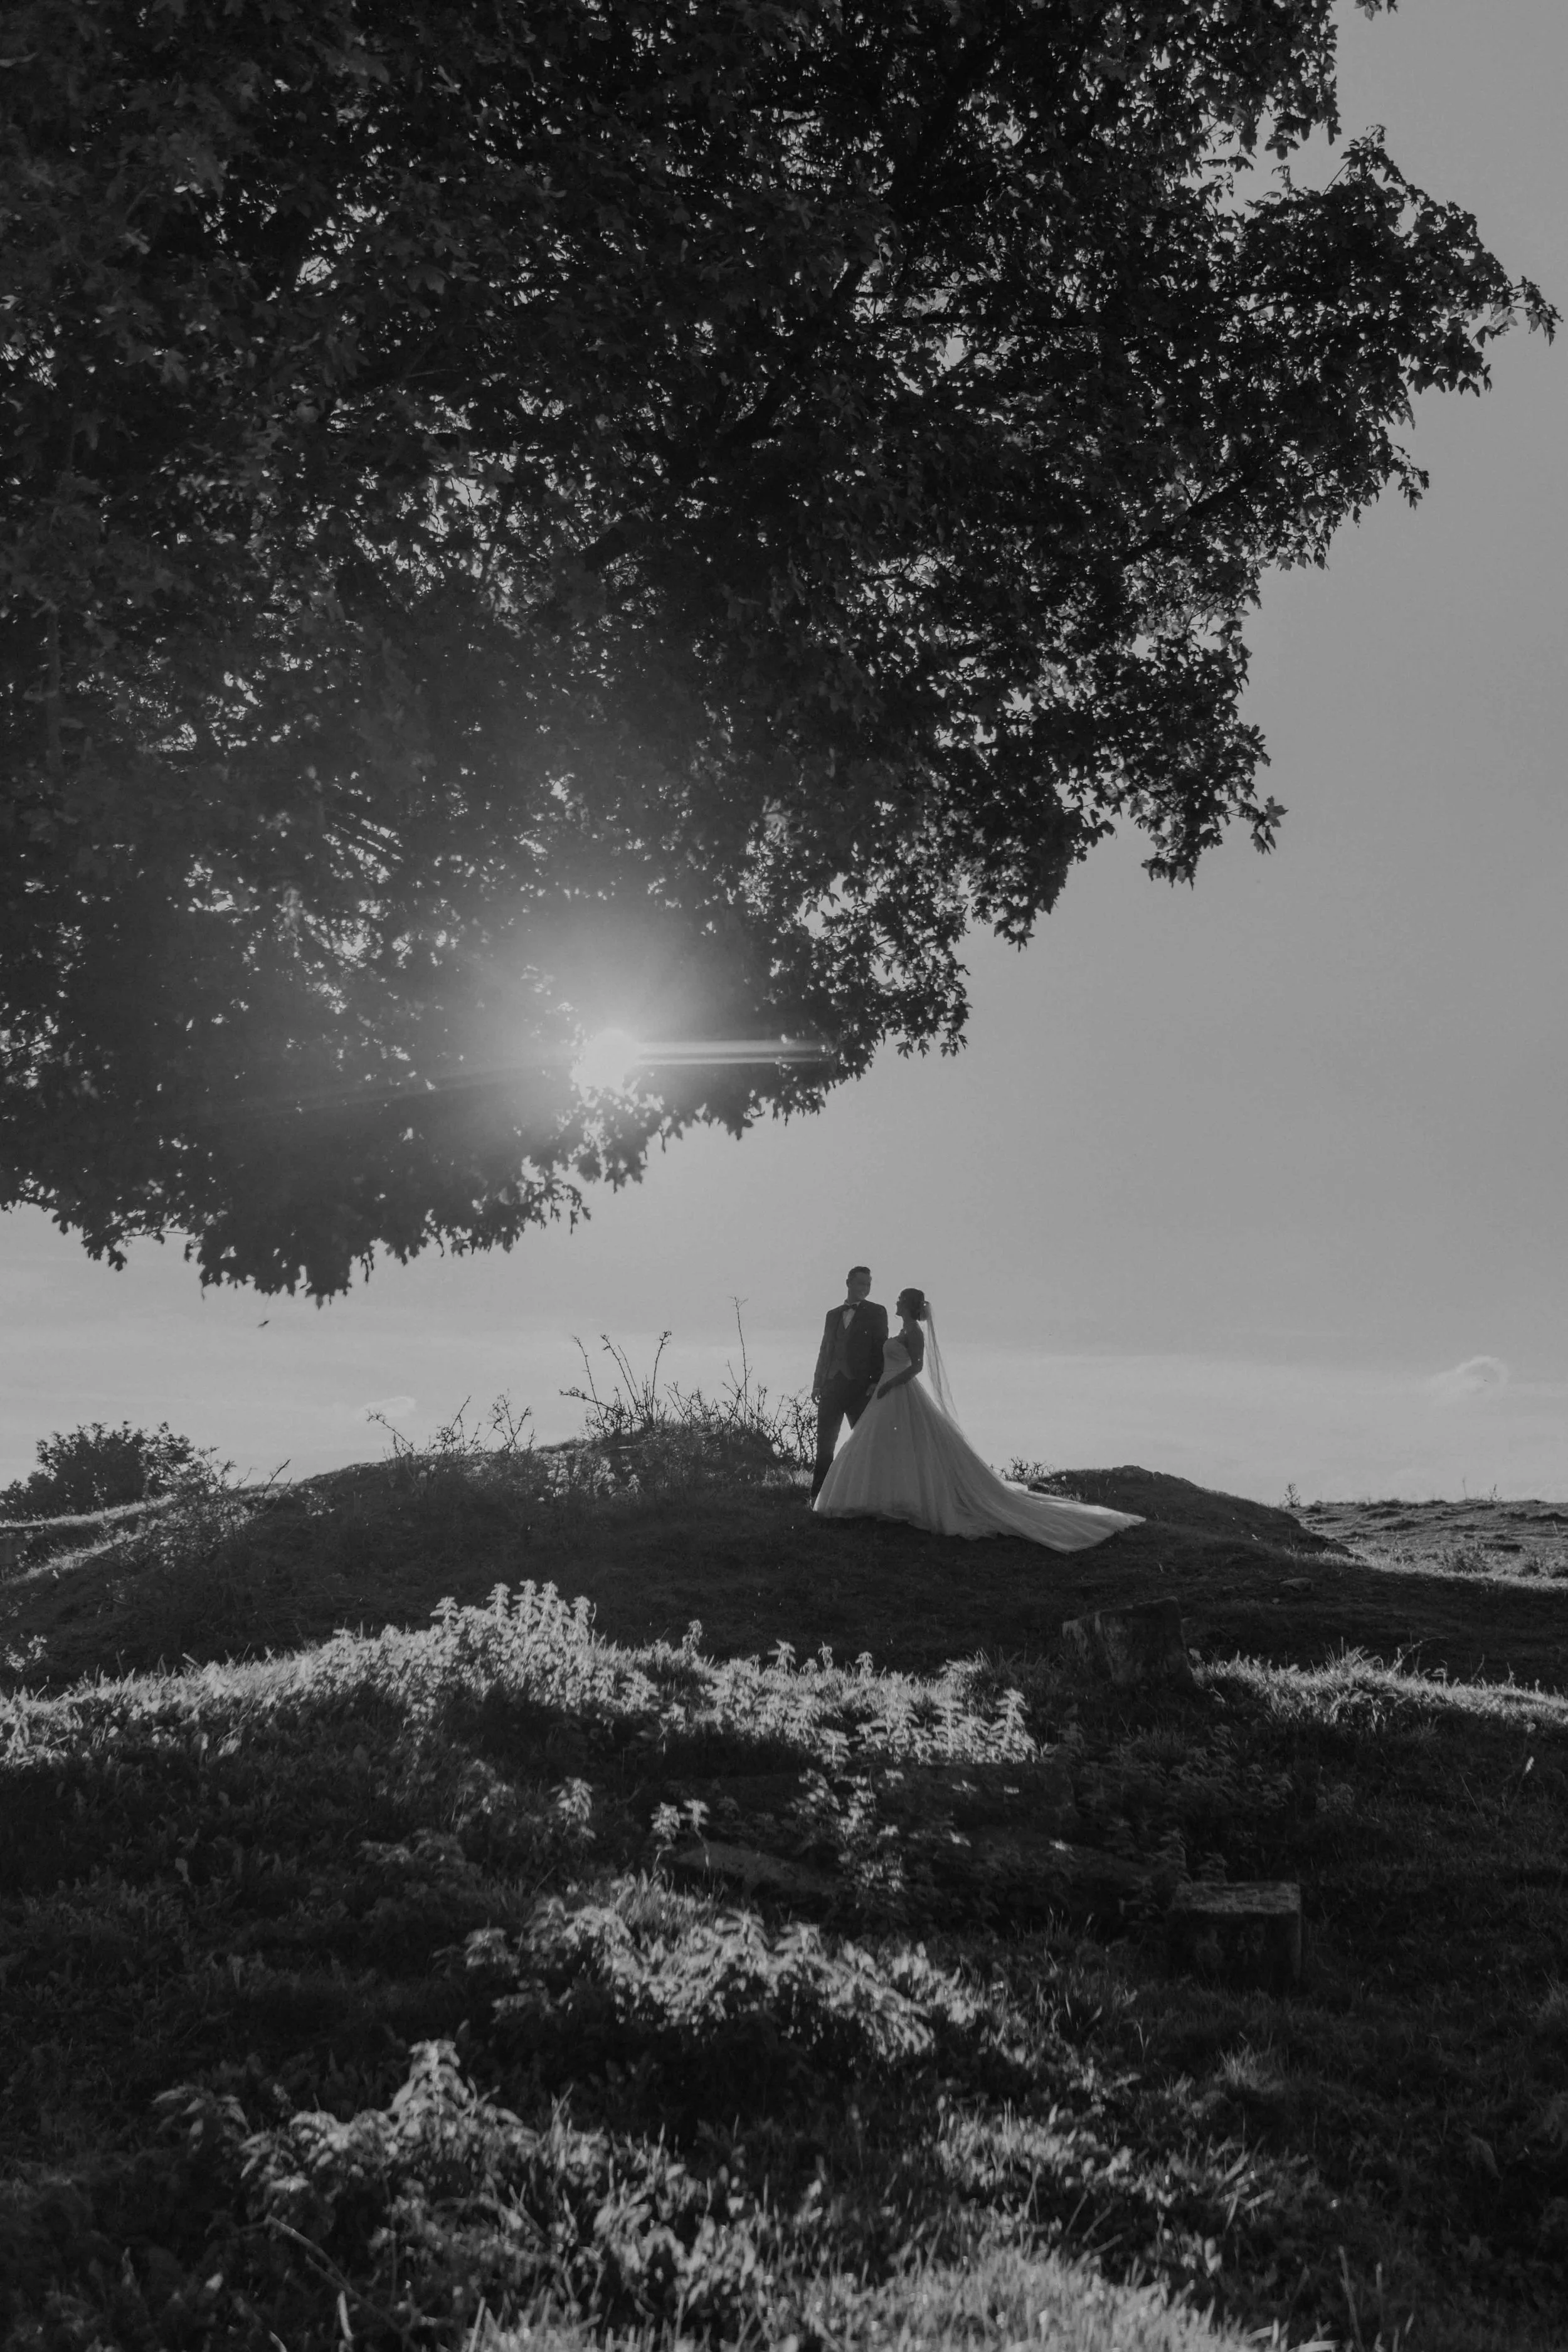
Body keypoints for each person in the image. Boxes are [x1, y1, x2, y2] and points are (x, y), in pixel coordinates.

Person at [814, 1286, 1143, 1550]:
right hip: (885, 1392)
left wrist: (891, 1384)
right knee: (880, 1445)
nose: (896, 1302)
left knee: (904, 1445)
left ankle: (899, 1500)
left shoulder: (914, 1332)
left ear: (909, 1305)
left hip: (898, 1391)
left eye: (900, 1299)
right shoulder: (901, 1329)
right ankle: (878, 1498)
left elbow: (917, 1366)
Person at [810, 1265, 889, 1500]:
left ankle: (866, 1495)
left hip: (860, 1388)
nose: (865, 1288)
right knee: (825, 1444)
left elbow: (880, 1347)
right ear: (848, 1283)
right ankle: (818, 1496)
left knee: (863, 1443)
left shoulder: (877, 1312)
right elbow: (825, 1350)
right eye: (861, 1283)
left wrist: (876, 1381)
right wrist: (817, 1383)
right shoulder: (832, 1315)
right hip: (831, 1386)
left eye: (868, 1284)